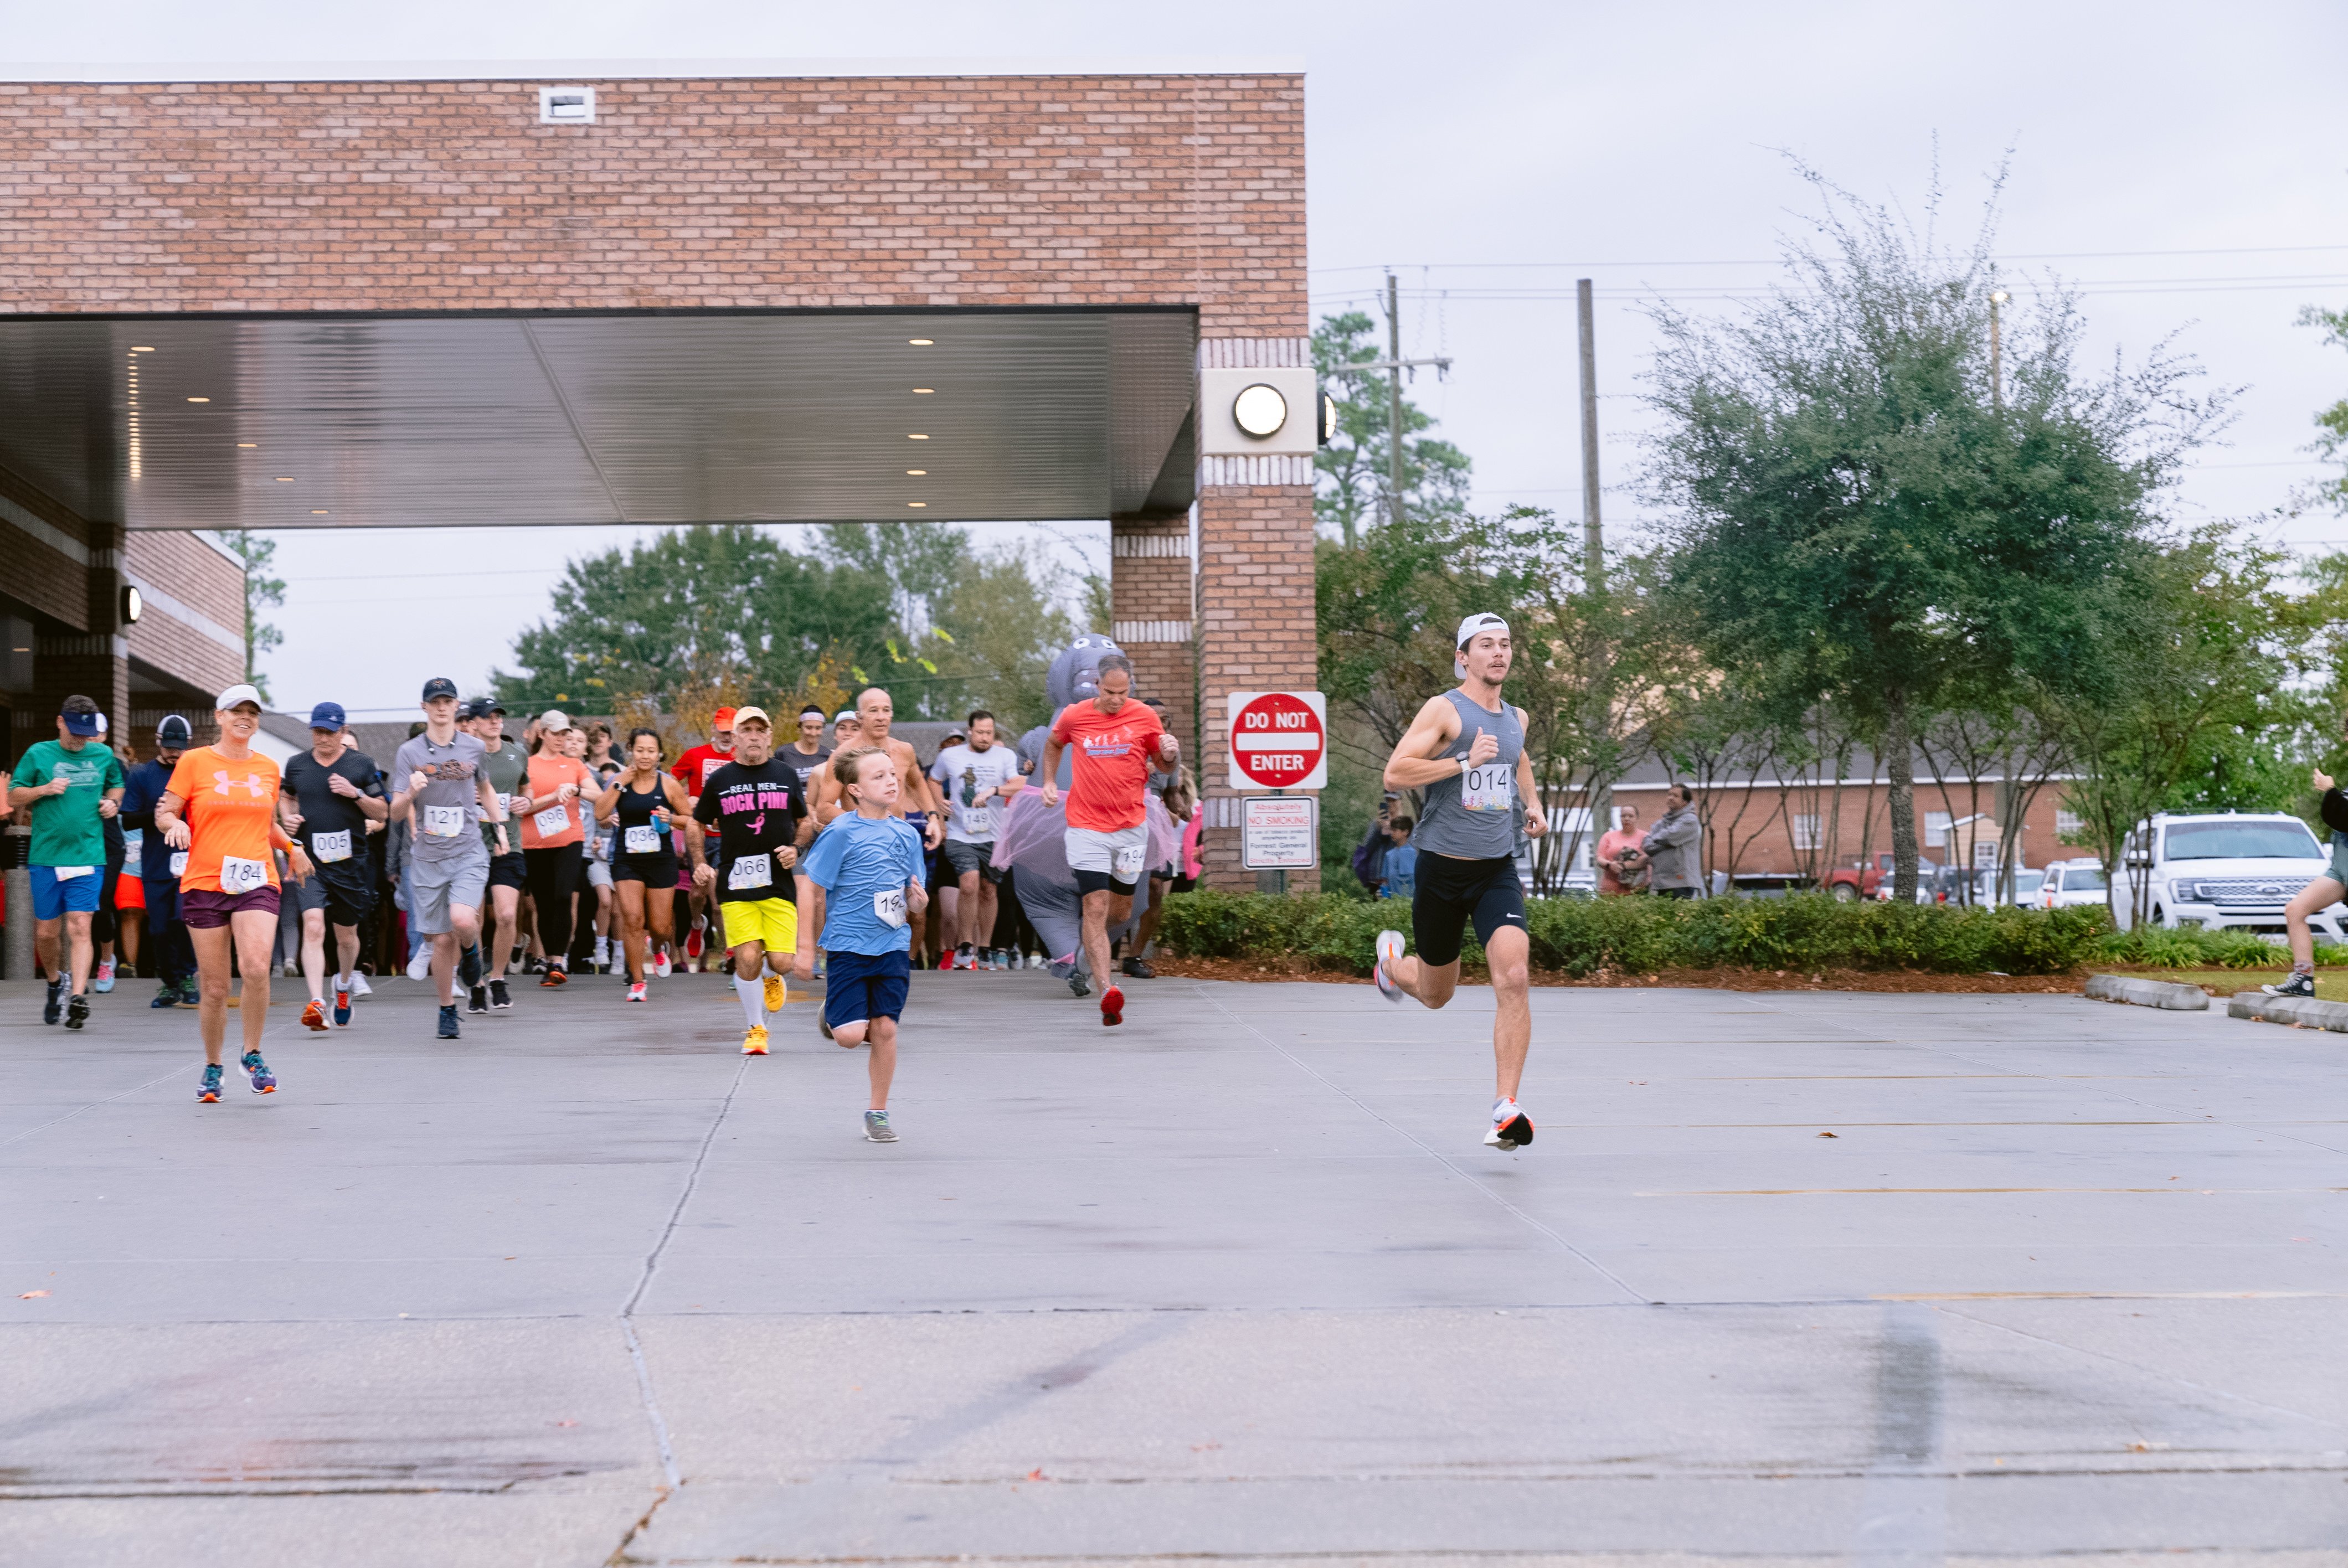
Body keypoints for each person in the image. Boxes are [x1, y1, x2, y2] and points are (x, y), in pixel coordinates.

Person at [1372, 613, 1548, 1152]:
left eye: (1505, 644)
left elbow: (1518, 758)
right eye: (1486, 645)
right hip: (1442, 871)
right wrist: (1462, 761)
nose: (1498, 653)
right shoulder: (1444, 710)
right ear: (1463, 657)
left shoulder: (1515, 717)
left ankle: (1505, 1109)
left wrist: (1533, 804)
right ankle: (1389, 965)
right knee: (1435, 995)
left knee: (1514, 977)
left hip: (1495, 869)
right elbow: (1396, 772)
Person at [154, 684, 313, 1099]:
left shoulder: (268, 768)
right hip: (205, 881)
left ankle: (252, 1053)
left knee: (257, 966)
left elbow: (267, 824)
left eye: (252, 712)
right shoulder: (194, 762)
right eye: (237, 710)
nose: (245, 717)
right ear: (219, 717)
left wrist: (292, 848)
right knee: (215, 988)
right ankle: (213, 1066)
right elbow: (164, 812)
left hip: (256, 878)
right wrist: (177, 824)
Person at [1038, 653, 1182, 1025]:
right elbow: (1054, 744)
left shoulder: (1144, 716)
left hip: (1131, 829)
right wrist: (1050, 781)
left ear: (1130, 686)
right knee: (1096, 906)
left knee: (1120, 912)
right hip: (1086, 828)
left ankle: (1083, 959)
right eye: (1110, 692)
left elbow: (1163, 765)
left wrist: (1170, 756)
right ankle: (1107, 991)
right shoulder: (1076, 715)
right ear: (1097, 687)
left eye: (1123, 692)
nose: (1117, 699)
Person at [795, 745, 927, 1143]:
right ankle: (836, 1014)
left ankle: (878, 1112)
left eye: (892, 774)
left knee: (885, 1029)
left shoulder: (908, 834)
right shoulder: (840, 832)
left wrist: (918, 901)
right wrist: (805, 948)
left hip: (892, 945)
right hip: (848, 946)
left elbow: (914, 897)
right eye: (878, 776)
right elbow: (810, 888)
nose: (891, 781)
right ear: (855, 790)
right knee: (850, 1037)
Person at [389, 677, 510, 1040]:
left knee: (463, 919)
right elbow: (395, 814)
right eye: (435, 702)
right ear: (424, 707)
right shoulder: (408, 753)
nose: (441, 707)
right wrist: (410, 793)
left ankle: (471, 952)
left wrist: (499, 827)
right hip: (428, 859)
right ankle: (446, 1010)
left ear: (457, 707)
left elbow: (485, 788)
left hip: (468, 850)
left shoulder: (474, 747)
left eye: (448, 701)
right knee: (441, 942)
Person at [689, 708, 811, 1054]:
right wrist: (699, 862)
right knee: (747, 956)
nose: (754, 736)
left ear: (769, 736)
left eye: (761, 730)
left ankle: (773, 978)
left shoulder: (786, 774)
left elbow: (805, 820)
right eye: (747, 730)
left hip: (778, 884)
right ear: (735, 737)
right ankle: (756, 1029)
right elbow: (696, 823)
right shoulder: (720, 779)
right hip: (736, 884)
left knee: (782, 962)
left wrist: (796, 848)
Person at [9, 695, 126, 1028]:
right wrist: (43, 789)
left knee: (80, 925)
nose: (80, 739)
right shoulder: (38, 753)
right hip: (46, 857)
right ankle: (54, 982)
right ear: (60, 722)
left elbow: (117, 785)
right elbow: (13, 795)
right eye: (74, 731)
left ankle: (77, 998)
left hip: (88, 856)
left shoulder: (103, 755)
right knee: (47, 933)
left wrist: (113, 804)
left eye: (86, 733)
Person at [279, 701, 387, 1029]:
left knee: (346, 936)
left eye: (329, 732)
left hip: (350, 864)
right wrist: (288, 819)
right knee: (313, 926)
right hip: (309, 861)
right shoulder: (297, 765)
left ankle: (343, 985)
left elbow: (383, 811)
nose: (323, 738)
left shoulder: (361, 764)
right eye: (317, 731)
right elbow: (286, 796)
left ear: (343, 731)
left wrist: (355, 794)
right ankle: (316, 1003)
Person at [815, 688, 946, 958]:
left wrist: (933, 817)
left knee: (911, 910)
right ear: (860, 716)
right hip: (859, 850)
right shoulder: (844, 756)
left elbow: (917, 784)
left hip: (897, 846)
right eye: (873, 710)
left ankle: (897, 966)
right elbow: (824, 808)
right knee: (862, 913)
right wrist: (865, 826)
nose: (881, 717)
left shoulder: (904, 750)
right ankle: (848, 962)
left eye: (886, 710)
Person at [598, 728, 691, 1002]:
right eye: (640, 750)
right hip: (627, 860)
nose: (645, 756)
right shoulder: (619, 780)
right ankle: (638, 982)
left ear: (659, 754)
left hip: (660, 860)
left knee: (661, 927)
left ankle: (659, 947)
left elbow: (690, 820)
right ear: (631, 750)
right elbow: (600, 814)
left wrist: (670, 818)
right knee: (633, 919)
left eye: (651, 751)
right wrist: (619, 784)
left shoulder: (668, 784)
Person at [929, 709, 1023, 971]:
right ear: (970, 731)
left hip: (994, 834)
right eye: (980, 733)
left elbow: (1020, 784)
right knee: (969, 884)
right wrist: (939, 802)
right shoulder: (951, 755)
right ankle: (965, 944)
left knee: (988, 890)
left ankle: (985, 947)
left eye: (989, 733)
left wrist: (994, 790)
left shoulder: (1005, 756)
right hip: (961, 833)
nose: (985, 738)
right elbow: (933, 780)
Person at [119, 714, 197, 1008]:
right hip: (155, 863)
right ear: (158, 742)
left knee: (184, 919)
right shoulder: (142, 775)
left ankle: (187, 976)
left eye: (179, 747)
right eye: (168, 746)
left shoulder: (196, 774)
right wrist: (155, 815)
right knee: (160, 928)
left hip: (190, 864)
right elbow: (127, 820)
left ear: (189, 744)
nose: (173, 753)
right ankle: (169, 983)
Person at [459, 697, 529, 1012]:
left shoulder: (518, 753)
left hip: (507, 845)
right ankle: (476, 983)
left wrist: (526, 801)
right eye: (488, 717)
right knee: (471, 921)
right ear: (473, 723)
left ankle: (498, 978)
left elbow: (526, 788)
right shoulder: (462, 756)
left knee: (507, 915)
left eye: (498, 716)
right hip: (470, 847)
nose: (495, 721)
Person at [518, 709, 596, 988]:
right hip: (534, 843)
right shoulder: (526, 765)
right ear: (542, 734)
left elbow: (599, 795)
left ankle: (558, 961)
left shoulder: (574, 765)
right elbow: (521, 808)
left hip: (569, 839)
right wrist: (553, 797)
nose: (562, 739)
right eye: (556, 734)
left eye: (565, 733)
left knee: (564, 896)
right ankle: (550, 959)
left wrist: (576, 790)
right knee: (544, 904)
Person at [2265, 766, 2348, 998]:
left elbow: (2344, 818)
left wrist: (2330, 790)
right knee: (2296, 909)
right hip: (2340, 871)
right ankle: (2303, 980)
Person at [1125, 760, 1196, 976]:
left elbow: (1172, 793)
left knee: (1155, 890)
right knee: (1120, 893)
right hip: (1124, 825)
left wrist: (1181, 808)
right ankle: (1094, 951)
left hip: (1156, 831)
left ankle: (1134, 957)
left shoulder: (1170, 753)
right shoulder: (1126, 744)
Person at [1642, 786, 1703, 899]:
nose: (1670, 798)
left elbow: (1669, 836)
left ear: (1685, 802)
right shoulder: (1662, 822)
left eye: (1675, 796)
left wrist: (1658, 840)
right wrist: (1666, 844)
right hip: (1661, 882)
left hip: (1681, 883)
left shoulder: (1690, 820)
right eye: (1669, 794)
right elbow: (1647, 844)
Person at [781, 703, 835, 799]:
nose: (813, 733)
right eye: (809, 728)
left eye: (818, 728)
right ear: (800, 727)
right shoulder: (783, 754)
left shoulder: (828, 756)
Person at [1595, 804, 1649, 896]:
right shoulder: (1608, 836)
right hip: (1610, 888)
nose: (1627, 819)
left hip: (1635, 888)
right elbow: (1599, 858)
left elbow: (1647, 859)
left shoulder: (1645, 837)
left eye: (1631, 816)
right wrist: (1610, 865)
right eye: (1623, 816)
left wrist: (1623, 866)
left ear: (1637, 818)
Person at [1381, 816, 1419, 899]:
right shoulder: (1389, 855)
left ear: (1405, 832)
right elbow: (1385, 882)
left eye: (1395, 830)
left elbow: (1417, 881)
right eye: (1391, 830)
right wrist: (1385, 901)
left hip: (1411, 902)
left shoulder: (1414, 854)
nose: (1392, 833)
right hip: (1392, 903)